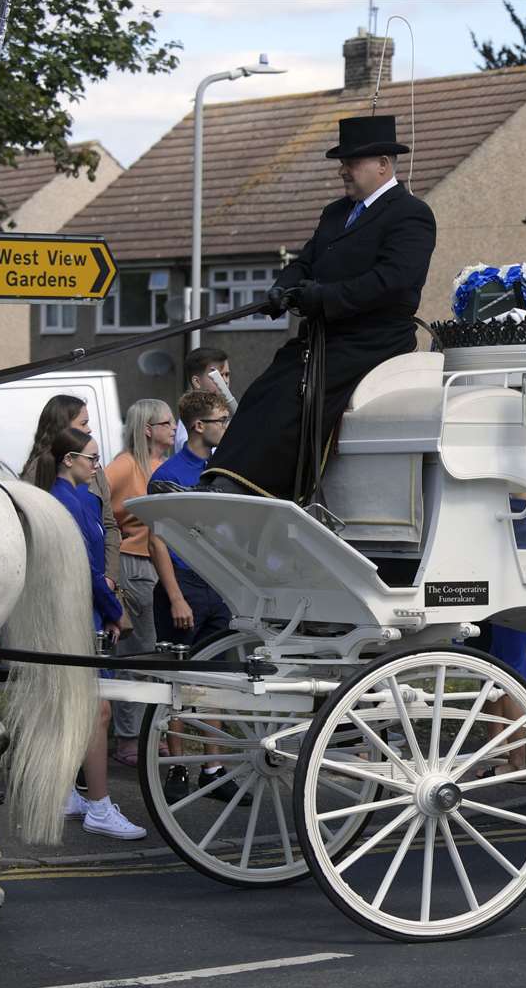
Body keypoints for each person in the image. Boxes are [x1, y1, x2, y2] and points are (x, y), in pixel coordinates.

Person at [200, 115, 435, 500]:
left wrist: (322, 297)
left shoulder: (411, 214)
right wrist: (282, 288)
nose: (343, 170)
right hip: (324, 335)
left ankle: (262, 487)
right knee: (264, 389)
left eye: (352, 162)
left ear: (383, 164)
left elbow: (392, 281)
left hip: (372, 339)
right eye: (342, 162)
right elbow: (306, 262)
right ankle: (221, 476)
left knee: (295, 393)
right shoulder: (335, 213)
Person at [35, 427, 146, 840]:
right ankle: (99, 805)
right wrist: (115, 611)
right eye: (92, 458)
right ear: (70, 460)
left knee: (72, 710)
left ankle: (67, 793)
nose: (97, 466)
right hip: (80, 615)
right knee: (97, 713)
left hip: (75, 613)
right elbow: (89, 571)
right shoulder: (70, 500)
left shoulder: (71, 497)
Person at [103, 398, 175, 765]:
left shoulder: (163, 465)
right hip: (134, 564)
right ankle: (130, 740)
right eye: (166, 423)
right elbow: (92, 497)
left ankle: (145, 734)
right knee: (135, 654)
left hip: (161, 567)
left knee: (153, 653)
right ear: (148, 429)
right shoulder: (125, 465)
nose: (173, 427)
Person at [150, 391, 233, 646]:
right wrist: (176, 599)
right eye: (221, 420)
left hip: (217, 585)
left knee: (217, 673)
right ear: (199, 426)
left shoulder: (220, 469)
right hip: (184, 583)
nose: (226, 427)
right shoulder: (168, 476)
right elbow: (156, 542)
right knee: (179, 674)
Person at [21, 395, 119, 588]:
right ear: (63, 427)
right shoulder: (38, 470)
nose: (89, 429)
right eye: (83, 423)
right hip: (60, 583)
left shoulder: (94, 470)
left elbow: (110, 526)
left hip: (101, 584)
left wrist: (110, 577)